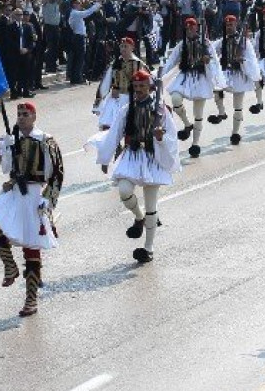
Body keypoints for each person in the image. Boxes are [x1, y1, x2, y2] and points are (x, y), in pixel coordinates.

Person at [0, 101, 64, 317]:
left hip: (34, 193)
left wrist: (48, 199)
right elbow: (2, 164)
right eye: (19, 114)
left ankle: (31, 299)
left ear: (34, 117)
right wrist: (4, 147)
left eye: (26, 114)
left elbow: (57, 172)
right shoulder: (12, 138)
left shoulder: (45, 140)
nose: (21, 117)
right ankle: (9, 265)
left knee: (31, 245)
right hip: (15, 189)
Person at [89, 69, 181, 263]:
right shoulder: (127, 109)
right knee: (124, 191)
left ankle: (148, 248)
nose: (138, 89)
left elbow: (172, 138)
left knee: (151, 205)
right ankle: (139, 217)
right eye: (136, 86)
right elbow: (114, 134)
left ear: (149, 87)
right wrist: (105, 159)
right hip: (132, 156)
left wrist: (160, 138)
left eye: (142, 86)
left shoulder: (161, 110)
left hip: (152, 158)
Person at [160, 17, 222, 157]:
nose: (189, 30)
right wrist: (159, 76)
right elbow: (171, 61)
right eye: (187, 28)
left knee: (198, 114)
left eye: (191, 28)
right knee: (175, 98)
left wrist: (208, 62)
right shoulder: (182, 44)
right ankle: (187, 124)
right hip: (185, 76)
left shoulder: (205, 43)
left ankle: (195, 144)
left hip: (201, 78)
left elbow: (214, 61)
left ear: (196, 28)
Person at [207, 15, 259, 146]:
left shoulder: (244, 42)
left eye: (231, 25)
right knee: (216, 89)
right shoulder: (222, 41)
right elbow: (211, 51)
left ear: (236, 25)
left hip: (239, 74)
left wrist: (242, 60)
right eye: (227, 25)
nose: (229, 27)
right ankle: (222, 112)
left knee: (238, 106)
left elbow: (252, 59)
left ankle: (235, 133)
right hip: (226, 74)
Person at [93, 35, 148, 130]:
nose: (123, 49)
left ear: (132, 48)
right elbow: (105, 82)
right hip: (115, 98)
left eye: (126, 46)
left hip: (131, 98)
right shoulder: (115, 63)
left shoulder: (139, 64)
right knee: (107, 125)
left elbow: (148, 82)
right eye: (121, 46)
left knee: (127, 126)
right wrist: (99, 100)